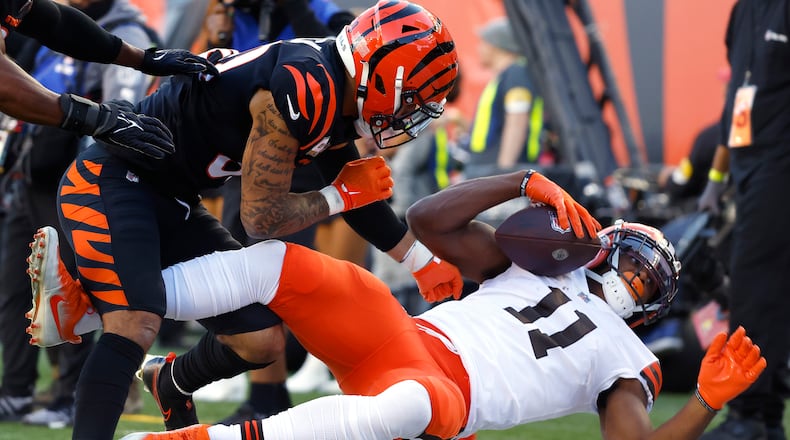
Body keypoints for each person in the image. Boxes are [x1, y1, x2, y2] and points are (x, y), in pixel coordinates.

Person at [33, 168, 766, 440]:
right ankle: (92, 311)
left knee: (416, 401)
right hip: (394, 340)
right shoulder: (531, 265)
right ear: (598, 242)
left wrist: (702, 402)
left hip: (439, 406)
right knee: (298, 268)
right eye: (625, 261)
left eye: (642, 282)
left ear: (648, 311)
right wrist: (522, 180)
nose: (623, 279)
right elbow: (428, 221)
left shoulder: (627, 357)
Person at [24, 1, 461, 438]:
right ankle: (84, 311)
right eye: (413, 99)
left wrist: (423, 262)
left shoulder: (336, 89)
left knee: (261, 340)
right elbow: (261, 220)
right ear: (383, 78)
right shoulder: (304, 85)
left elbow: (359, 199)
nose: (412, 112)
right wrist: (336, 197)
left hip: (173, 195)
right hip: (115, 176)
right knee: (135, 322)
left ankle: (169, 380)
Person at [200, 0, 356, 423]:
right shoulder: (236, 15)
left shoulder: (317, 8)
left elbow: (343, 45)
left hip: (305, 148)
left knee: (278, 272)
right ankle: (267, 393)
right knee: (243, 271)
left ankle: (276, 390)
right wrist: (220, 36)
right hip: (246, 152)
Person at [697, 1, 790, 439]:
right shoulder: (743, 11)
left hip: (781, 164)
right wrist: (716, 177)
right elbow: (739, 94)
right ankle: (765, 417)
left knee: (755, 284)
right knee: (760, 285)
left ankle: (749, 414)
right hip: (747, 166)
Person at [0, 0, 218, 168]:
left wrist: (144, 59)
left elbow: (54, 22)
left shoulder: (128, 29)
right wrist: (99, 119)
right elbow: (4, 87)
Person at [464, 17, 546, 179]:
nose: (479, 48)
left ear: (497, 46)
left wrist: (504, 174)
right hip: (488, 169)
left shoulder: (516, 73)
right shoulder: (509, 75)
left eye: (483, 43)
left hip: (494, 171)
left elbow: (517, 121)